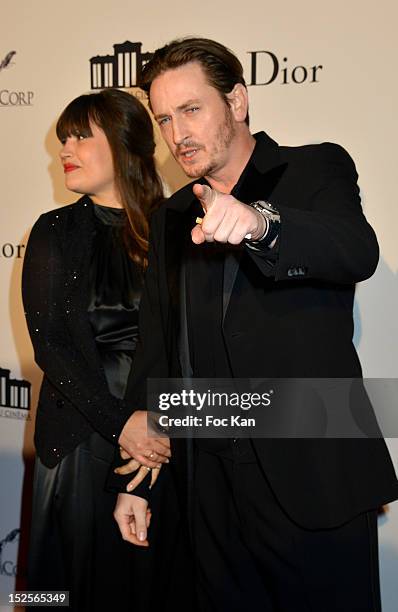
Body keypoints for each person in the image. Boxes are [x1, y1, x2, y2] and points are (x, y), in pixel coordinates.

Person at [112, 37, 398, 611]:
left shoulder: (314, 167)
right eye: (164, 118)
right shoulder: (171, 216)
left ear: (237, 101)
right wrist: (133, 480)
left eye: (191, 110)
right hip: (208, 489)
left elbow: (354, 249)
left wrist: (260, 224)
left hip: (310, 473)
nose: (176, 135)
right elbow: (158, 346)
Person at [22, 88, 174, 611]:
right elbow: (52, 348)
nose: (65, 148)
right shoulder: (54, 231)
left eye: (82, 135)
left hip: (161, 447)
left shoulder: (180, 230)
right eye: (64, 137)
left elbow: (193, 349)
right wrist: (121, 424)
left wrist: (152, 430)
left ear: (127, 144)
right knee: (55, 596)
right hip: (79, 440)